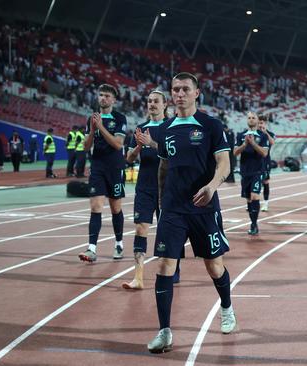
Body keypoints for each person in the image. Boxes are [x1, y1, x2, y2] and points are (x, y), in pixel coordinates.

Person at [147, 72, 236, 353]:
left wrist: (212, 186)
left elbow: (225, 164)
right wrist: (161, 203)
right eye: (175, 89)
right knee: (164, 265)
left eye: (186, 89)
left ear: (197, 92)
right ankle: (164, 332)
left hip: (204, 207)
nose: (180, 94)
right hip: (173, 208)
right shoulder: (165, 128)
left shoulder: (211, 125)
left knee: (214, 266)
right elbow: (163, 167)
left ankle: (227, 307)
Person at [122, 90, 176, 290]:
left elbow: (173, 155)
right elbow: (128, 159)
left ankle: (172, 269)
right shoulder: (140, 128)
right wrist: (137, 147)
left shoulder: (171, 127)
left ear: (165, 105)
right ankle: (139, 277)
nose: (152, 104)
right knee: (140, 228)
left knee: (167, 230)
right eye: (149, 101)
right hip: (144, 187)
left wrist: (151, 144)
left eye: (156, 101)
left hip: (167, 187)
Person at [78, 84, 128, 263]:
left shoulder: (120, 118)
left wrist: (101, 127)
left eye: (107, 96)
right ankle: (91, 248)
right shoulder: (91, 119)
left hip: (115, 168)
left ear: (113, 100)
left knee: (115, 208)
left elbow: (117, 144)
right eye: (101, 95)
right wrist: (92, 129)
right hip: (97, 167)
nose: (103, 98)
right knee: (96, 207)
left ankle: (119, 243)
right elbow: (85, 146)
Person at [233, 111, 269, 235]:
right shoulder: (241, 135)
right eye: (249, 118)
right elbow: (235, 152)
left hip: (257, 171)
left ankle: (254, 224)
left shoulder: (262, 136)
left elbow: (264, 153)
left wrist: (253, 144)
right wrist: (244, 144)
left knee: (255, 196)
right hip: (245, 172)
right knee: (248, 199)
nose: (251, 120)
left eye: (253, 118)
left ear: (258, 120)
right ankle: (253, 221)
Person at [258, 115, 275, 212]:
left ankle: (265, 203)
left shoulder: (270, 134)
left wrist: (265, 133)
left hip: (265, 162)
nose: (260, 125)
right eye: (259, 123)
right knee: (254, 180)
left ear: (265, 124)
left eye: (262, 123)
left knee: (265, 182)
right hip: (255, 161)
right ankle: (252, 201)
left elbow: (272, 143)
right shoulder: (254, 134)